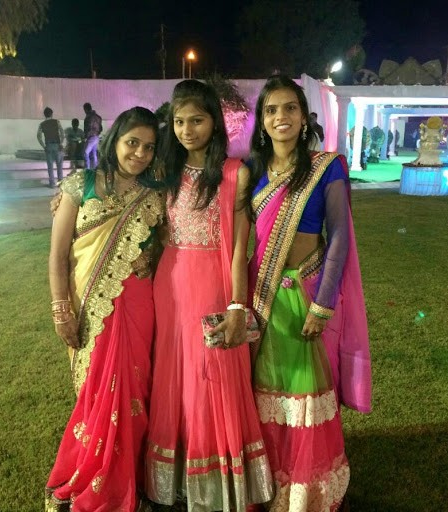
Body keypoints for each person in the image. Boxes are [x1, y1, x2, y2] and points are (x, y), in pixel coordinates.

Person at [145, 80, 273, 511]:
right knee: (173, 376)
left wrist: (237, 304)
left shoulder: (235, 173)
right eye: (179, 121)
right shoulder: (164, 173)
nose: (187, 130)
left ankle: (219, 482)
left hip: (213, 284)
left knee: (211, 376)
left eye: (196, 120)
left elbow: (238, 248)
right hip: (169, 285)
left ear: (214, 123)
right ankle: (177, 479)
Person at [247, 75, 372, 511]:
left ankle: (307, 490)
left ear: (304, 117)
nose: (280, 117)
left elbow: (338, 236)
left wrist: (322, 304)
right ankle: (271, 482)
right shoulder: (250, 171)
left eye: (290, 108)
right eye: (271, 110)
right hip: (262, 298)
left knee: (305, 392)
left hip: (306, 292)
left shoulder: (326, 166)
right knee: (266, 391)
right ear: (262, 121)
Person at [45, 107, 166, 512]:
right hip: (90, 305)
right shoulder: (79, 184)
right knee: (98, 390)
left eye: (149, 147)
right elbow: (58, 255)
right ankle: (92, 473)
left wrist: (149, 259)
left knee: (135, 390)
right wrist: (61, 310)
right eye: (133, 143)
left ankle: (127, 476)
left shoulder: (155, 194)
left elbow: (165, 245)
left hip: (139, 305)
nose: (140, 154)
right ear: (114, 140)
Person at [37, 107, 65, 187]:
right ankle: (60, 183)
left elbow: (38, 137)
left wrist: (44, 146)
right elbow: (62, 133)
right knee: (59, 166)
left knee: (50, 167)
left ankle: (52, 183)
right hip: (57, 145)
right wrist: (61, 143)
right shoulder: (57, 122)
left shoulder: (42, 124)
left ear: (44, 115)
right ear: (52, 114)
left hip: (48, 146)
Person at [83, 102, 103, 169]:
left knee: (86, 153)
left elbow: (88, 127)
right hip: (96, 136)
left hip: (91, 136)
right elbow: (101, 128)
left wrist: (85, 136)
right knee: (94, 153)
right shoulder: (98, 117)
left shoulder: (89, 117)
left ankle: (87, 169)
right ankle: (95, 169)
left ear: (86, 109)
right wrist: (97, 133)